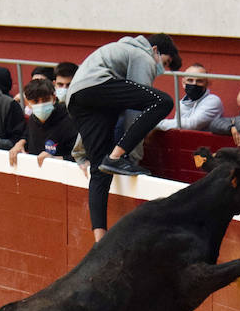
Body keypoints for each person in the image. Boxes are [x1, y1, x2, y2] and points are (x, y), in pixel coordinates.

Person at [66, 33, 182, 239]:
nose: (160, 69)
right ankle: (115, 156)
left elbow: (87, 122)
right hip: (98, 87)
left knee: (99, 169)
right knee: (162, 101)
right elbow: (134, 114)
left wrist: (81, 154)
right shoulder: (143, 55)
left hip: (76, 97)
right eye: (164, 63)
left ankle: (99, 241)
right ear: (155, 50)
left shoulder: (117, 50)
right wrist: (131, 157)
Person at [10, 76, 79, 164]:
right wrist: (21, 143)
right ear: (28, 102)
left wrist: (56, 159)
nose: (41, 104)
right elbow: (26, 135)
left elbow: (80, 156)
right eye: (35, 101)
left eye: (45, 100)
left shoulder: (70, 120)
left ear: (54, 98)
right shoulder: (32, 119)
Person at [164, 64, 224, 131]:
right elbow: (176, 127)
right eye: (190, 80)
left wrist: (157, 123)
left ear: (207, 83)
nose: (194, 84)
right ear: (183, 83)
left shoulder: (213, 101)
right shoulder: (182, 103)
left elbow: (192, 124)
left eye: (199, 81)